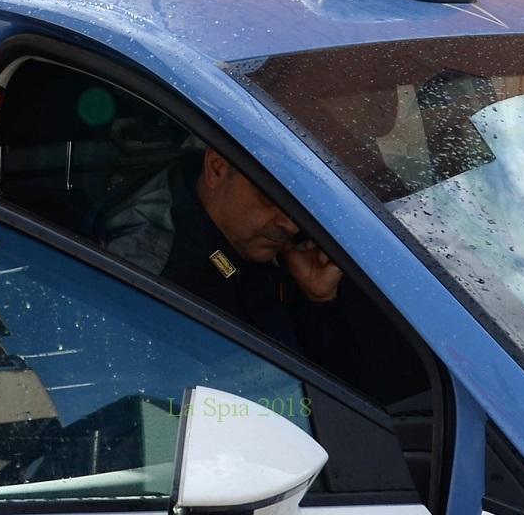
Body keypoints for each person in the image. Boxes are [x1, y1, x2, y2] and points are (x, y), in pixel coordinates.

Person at [96, 148, 424, 402]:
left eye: (298, 205)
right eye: (271, 197)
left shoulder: (286, 249)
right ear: (217, 168)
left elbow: (343, 395)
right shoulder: (151, 271)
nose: (290, 224)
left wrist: (318, 302)